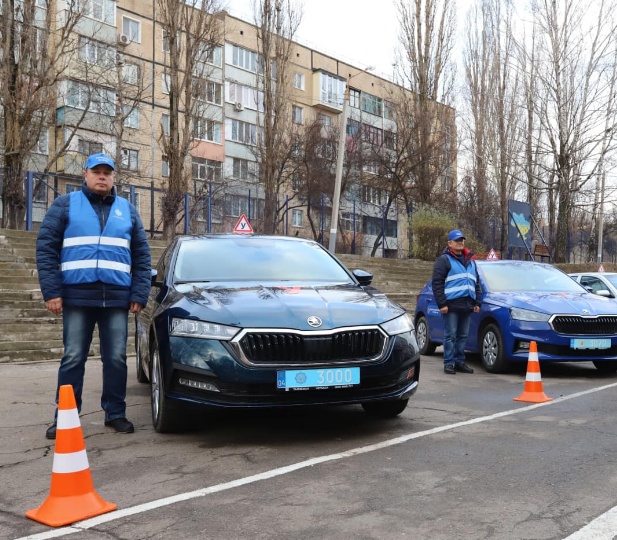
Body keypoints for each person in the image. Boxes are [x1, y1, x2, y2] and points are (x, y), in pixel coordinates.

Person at [36, 153, 151, 439]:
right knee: (73, 357)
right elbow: (46, 248)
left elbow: (141, 255)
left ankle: (115, 413)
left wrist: (139, 293)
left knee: (116, 359)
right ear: (85, 175)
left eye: (107, 173)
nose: (102, 177)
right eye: (96, 171)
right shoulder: (65, 205)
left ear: (114, 178)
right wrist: (52, 292)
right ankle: (65, 417)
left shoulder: (128, 210)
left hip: (116, 298)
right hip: (76, 297)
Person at [432, 230, 482, 375]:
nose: (460, 242)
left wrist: (477, 302)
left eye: (461, 240)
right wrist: (442, 304)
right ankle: (448, 363)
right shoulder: (444, 260)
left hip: (467, 305)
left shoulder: (471, 261)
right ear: (449, 243)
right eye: (457, 240)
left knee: (462, 336)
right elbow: (437, 283)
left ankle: (459, 362)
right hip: (451, 305)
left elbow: (476, 283)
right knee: (451, 335)